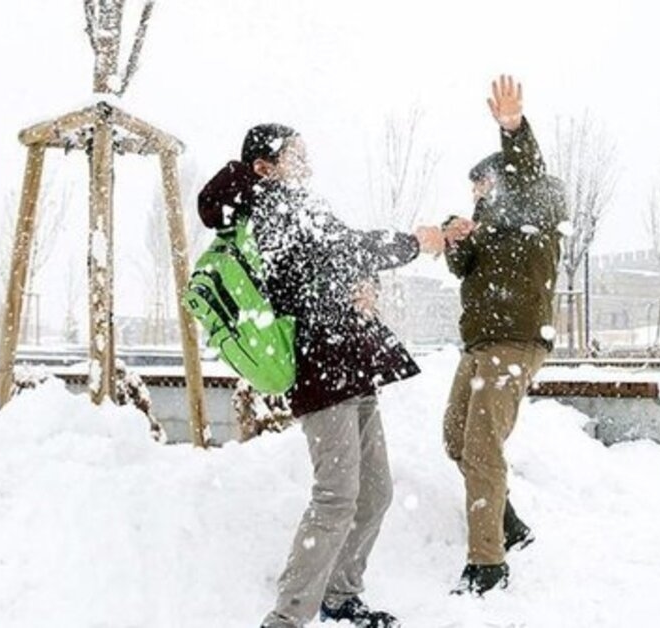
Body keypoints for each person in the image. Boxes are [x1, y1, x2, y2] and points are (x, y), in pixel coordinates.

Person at [198, 123, 446, 628]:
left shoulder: (301, 205)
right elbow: (340, 248)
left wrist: (365, 282)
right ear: (265, 166)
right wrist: (413, 243)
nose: (307, 162)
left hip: (352, 363)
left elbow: (335, 260)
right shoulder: (269, 206)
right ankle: (287, 618)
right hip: (322, 368)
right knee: (336, 497)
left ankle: (341, 594)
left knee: (375, 493)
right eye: (295, 155)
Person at [440, 75, 567, 595]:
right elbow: (461, 267)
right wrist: (454, 236)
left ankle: (488, 564)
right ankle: (508, 523)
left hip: (515, 344)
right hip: (480, 347)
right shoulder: (486, 228)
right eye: (473, 190)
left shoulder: (537, 206)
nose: (477, 195)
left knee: (483, 447)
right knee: (456, 439)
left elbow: (529, 172)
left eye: (483, 186)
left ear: (504, 179)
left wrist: (512, 128)